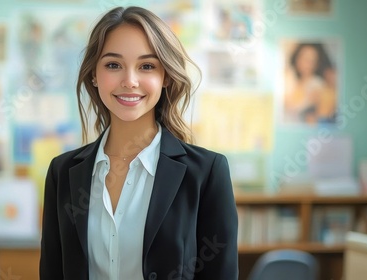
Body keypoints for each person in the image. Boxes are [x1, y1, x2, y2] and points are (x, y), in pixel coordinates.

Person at [40, 6, 238, 280]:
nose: (130, 81)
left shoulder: (207, 172)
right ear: (94, 75)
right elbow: (53, 271)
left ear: (165, 76)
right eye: (113, 65)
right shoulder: (61, 173)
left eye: (147, 66)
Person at [284, 43, 336, 124]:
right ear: (297, 58)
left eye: (312, 60)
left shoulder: (316, 84)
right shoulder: (292, 81)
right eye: (304, 58)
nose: (307, 63)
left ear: (317, 64)